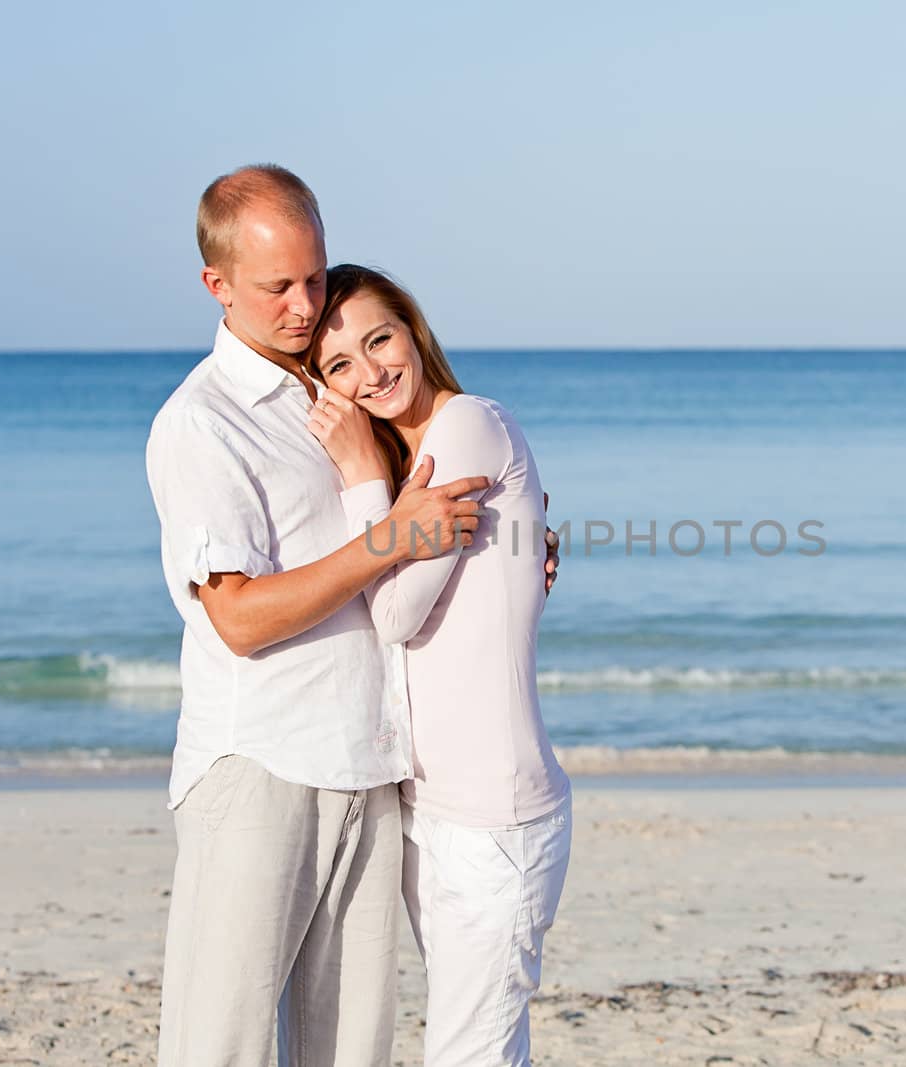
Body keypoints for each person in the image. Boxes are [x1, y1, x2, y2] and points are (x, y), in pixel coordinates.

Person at [145, 164, 529, 1066]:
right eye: (277, 286)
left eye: (315, 277)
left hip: (372, 767)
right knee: (220, 1048)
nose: (304, 304)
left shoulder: (339, 390)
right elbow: (236, 617)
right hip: (262, 768)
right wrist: (391, 539)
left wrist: (522, 548)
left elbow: (443, 517)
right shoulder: (204, 423)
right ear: (217, 285)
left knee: (351, 1052)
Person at [305, 264, 573, 1067]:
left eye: (379, 338)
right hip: (430, 809)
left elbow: (392, 613)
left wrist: (359, 475)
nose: (371, 371)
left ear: (412, 330)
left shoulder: (466, 428)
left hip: (497, 820)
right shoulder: (411, 467)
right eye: (339, 365)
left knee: (471, 1051)